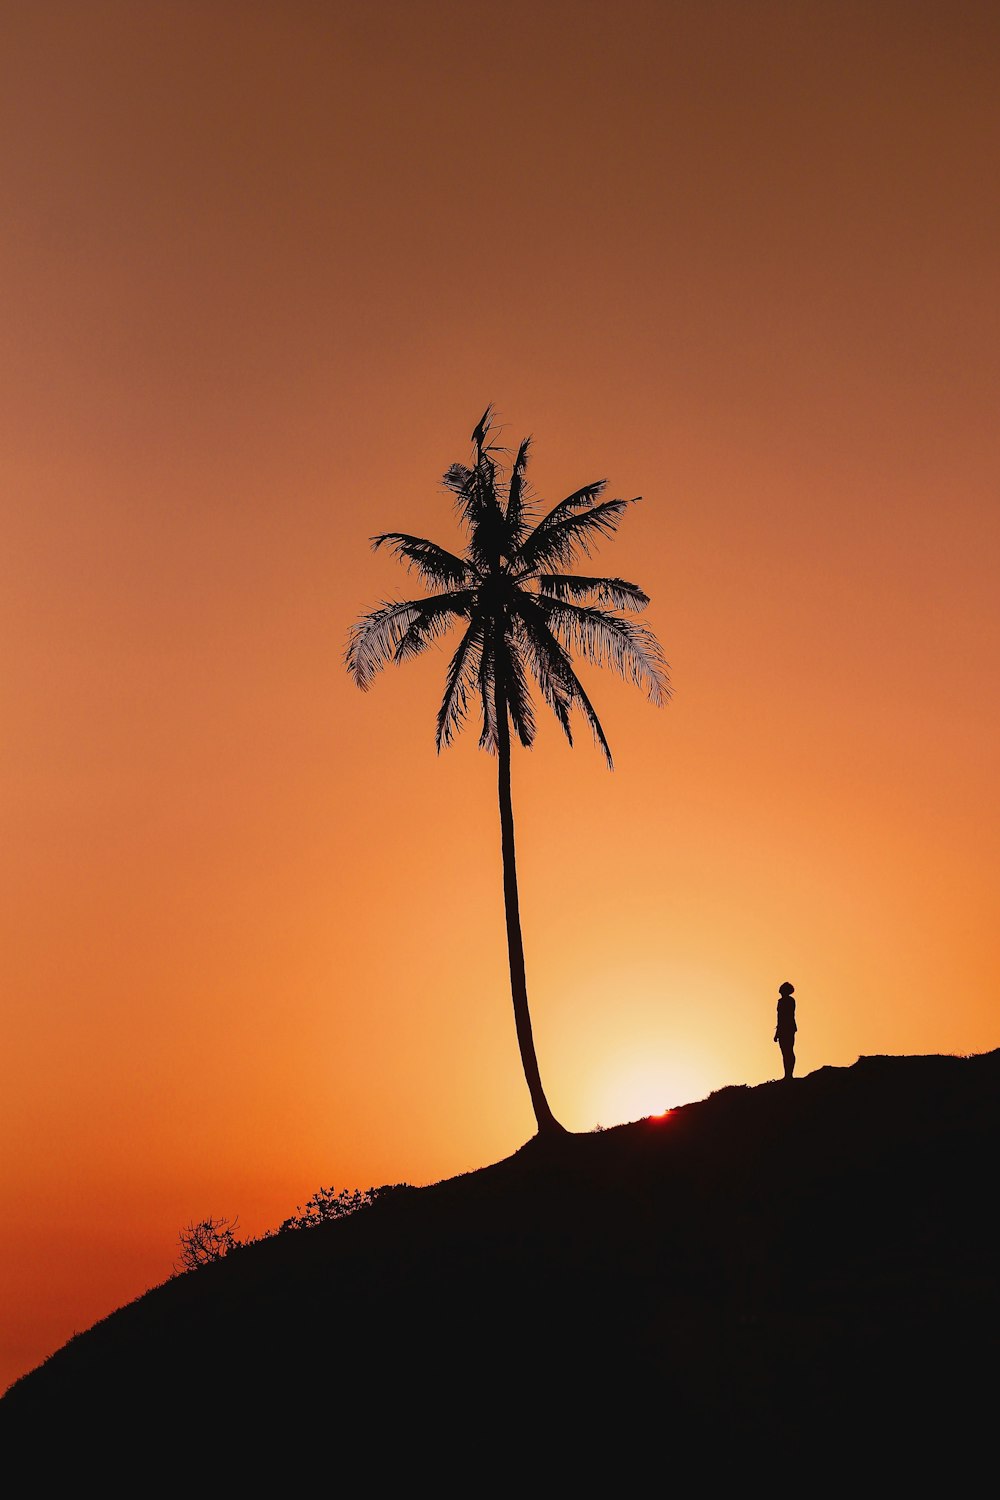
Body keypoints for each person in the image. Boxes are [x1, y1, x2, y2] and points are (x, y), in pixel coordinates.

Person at [774, 981, 797, 1080]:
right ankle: (787, 1074)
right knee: (785, 1052)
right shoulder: (783, 1001)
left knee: (788, 1051)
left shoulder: (788, 1001)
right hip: (785, 1029)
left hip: (787, 1028)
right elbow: (779, 1018)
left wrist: (777, 1032)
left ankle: (789, 1075)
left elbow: (784, 1017)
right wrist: (777, 1032)